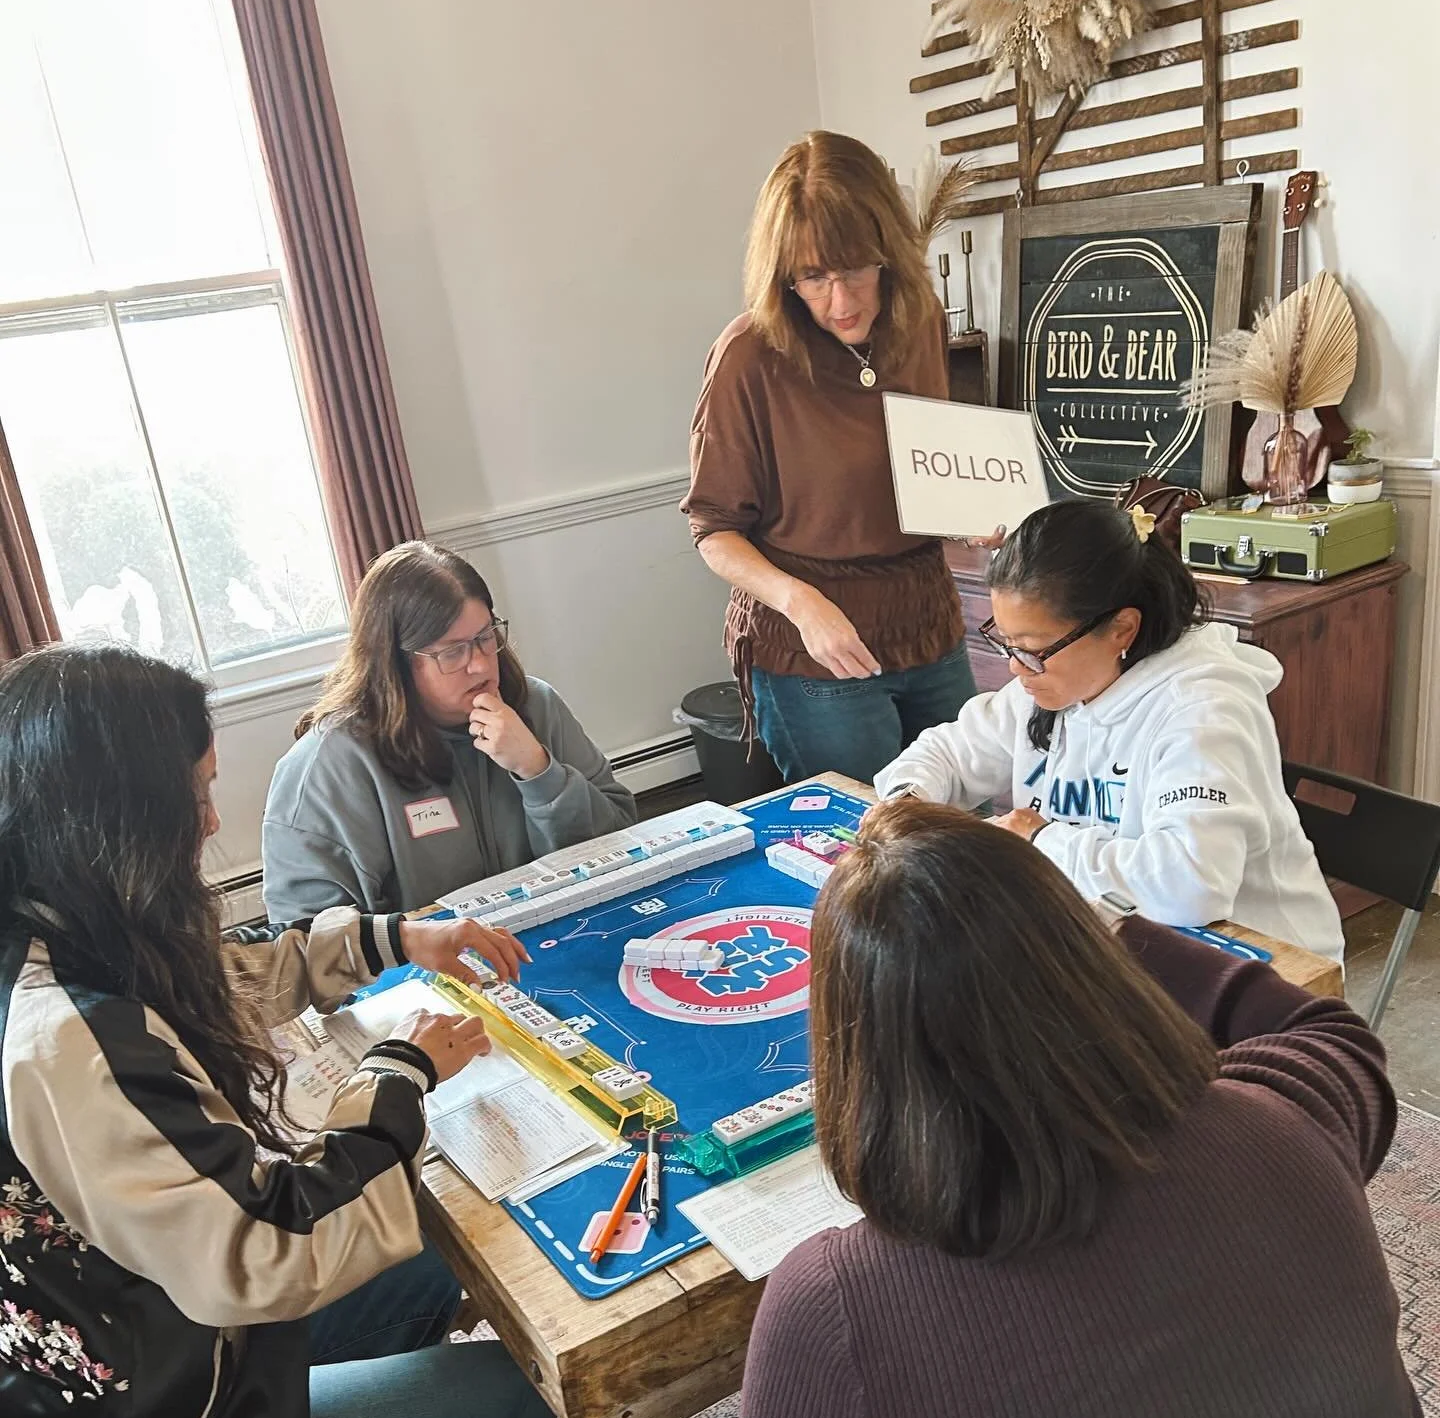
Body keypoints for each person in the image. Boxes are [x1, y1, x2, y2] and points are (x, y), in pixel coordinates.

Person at [661, 802, 1440, 1418]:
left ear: (858, 1060)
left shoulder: (834, 1302)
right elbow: (1326, 1031)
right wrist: (1114, 930)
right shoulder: (1283, 1122)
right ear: (1088, 969)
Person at [0, 645, 557, 1418]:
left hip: (124, 1390)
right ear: (114, 819)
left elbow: (222, 976)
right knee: (512, 1401)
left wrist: (398, 940)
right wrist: (402, 1074)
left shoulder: (51, 925)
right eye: (194, 797)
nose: (210, 825)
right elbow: (271, 1246)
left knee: (420, 1280)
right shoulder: (66, 1040)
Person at [875, 498, 1344, 965]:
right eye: (1007, 643)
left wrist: (1040, 842)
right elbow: (948, 752)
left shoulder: (1203, 708)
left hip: (1261, 972)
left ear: (1122, 629)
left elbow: (1191, 885)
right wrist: (907, 801)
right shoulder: (1054, 681)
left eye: (1032, 649)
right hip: (1114, 943)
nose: (1017, 668)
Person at [680, 129, 977, 784]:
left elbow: (924, 461)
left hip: (926, 617)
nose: (840, 302)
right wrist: (800, 603)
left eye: (856, 268)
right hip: (816, 647)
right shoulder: (748, 358)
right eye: (813, 277)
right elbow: (713, 530)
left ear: (889, 252)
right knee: (868, 844)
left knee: (963, 827)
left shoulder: (921, 315)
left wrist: (969, 508)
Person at [263, 542, 636, 921]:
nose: (479, 665)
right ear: (395, 663)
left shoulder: (536, 704)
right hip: (424, 974)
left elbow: (624, 840)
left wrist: (541, 774)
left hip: (559, 934)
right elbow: (309, 941)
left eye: (485, 637)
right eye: (452, 652)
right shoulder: (327, 765)